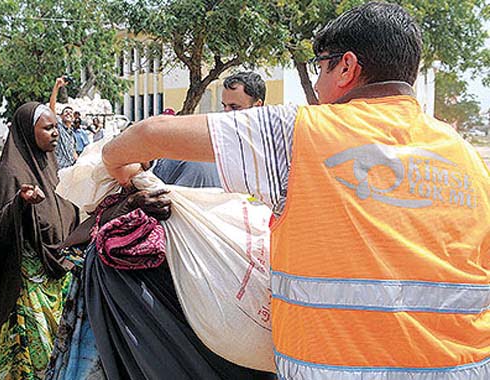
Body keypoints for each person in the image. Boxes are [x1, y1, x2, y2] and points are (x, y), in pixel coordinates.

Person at [101, 3, 490, 379]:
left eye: (321, 68)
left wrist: (117, 163)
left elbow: (147, 135)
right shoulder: (466, 158)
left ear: (346, 67)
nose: (317, 84)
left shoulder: (301, 132)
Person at [0, 102, 79, 379]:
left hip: (58, 278)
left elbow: (64, 210)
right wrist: (20, 205)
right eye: (48, 128)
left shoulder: (51, 165)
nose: (56, 133)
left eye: (56, 127)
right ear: (28, 132)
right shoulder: (11, 174)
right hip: (28, 288)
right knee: (37, 358)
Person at [50, 77, 77, 169]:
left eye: (70, 112)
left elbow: (73, 152)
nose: (68, 113)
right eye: (66, 112)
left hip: (70, 169)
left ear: (73, 118)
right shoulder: (59, 127)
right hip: (59, 168)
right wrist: (56, 87)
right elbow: (52, 108)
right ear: (61, 116)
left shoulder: (72, 135)